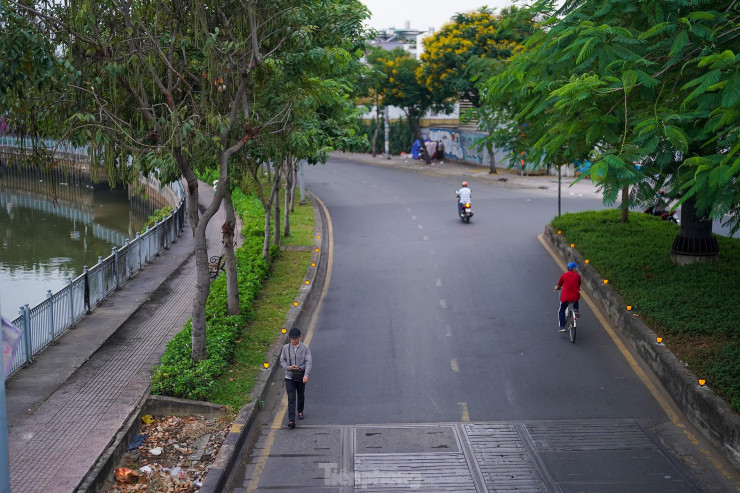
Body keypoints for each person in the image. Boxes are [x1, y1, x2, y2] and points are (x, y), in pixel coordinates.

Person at [280, 327, 312, 428]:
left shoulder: (305, 348)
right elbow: (282, 361)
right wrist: (289, 367)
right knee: (291, 398)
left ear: (299, 337)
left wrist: (306, 375)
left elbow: (308, 362)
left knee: (301, 395)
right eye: (291, 339)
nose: (293, 341)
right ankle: (291, 420)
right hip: (289, 377)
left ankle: (300, 411)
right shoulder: (285, 348)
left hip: (300, 376)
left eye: (295, 339)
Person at [554, 261, 581, 332]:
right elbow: (578, 284)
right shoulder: (577, 276)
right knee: (576, 298)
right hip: (575, 297)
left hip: (565, 298)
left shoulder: (564, 275)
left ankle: (562, 327)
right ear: (574, 268)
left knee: (561, 310)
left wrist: (557, 287)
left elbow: (559, 285)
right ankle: (576, 311)